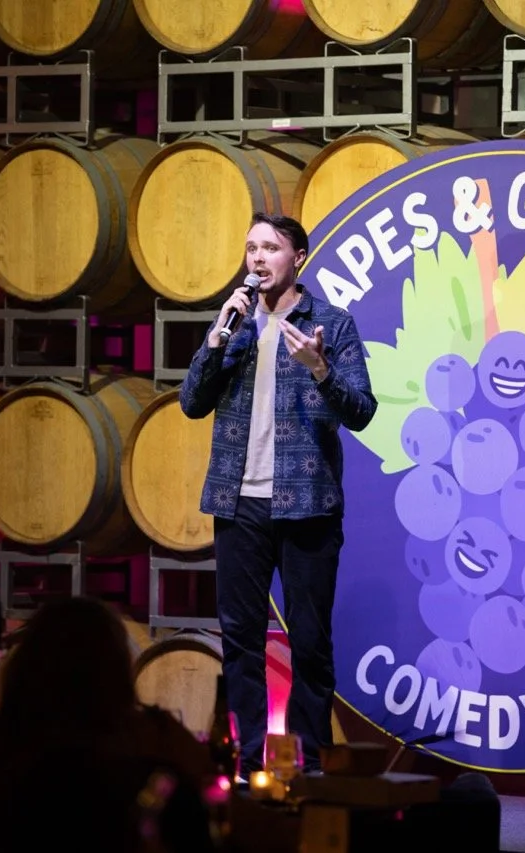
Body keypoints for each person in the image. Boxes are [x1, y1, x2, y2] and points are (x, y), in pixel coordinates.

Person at [180, 211, 377, 775]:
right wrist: (216, 339)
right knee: (241, 640)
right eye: (250, 248)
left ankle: (306, 765)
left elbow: (361, 411)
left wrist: (319, 369)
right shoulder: (236, 324)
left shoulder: (331, 325)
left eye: (270, 248)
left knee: (310, 643)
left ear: (299, 258)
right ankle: (245, 763)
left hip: (307, 504)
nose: (258, 258)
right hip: (239, 505)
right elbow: (192, 403)